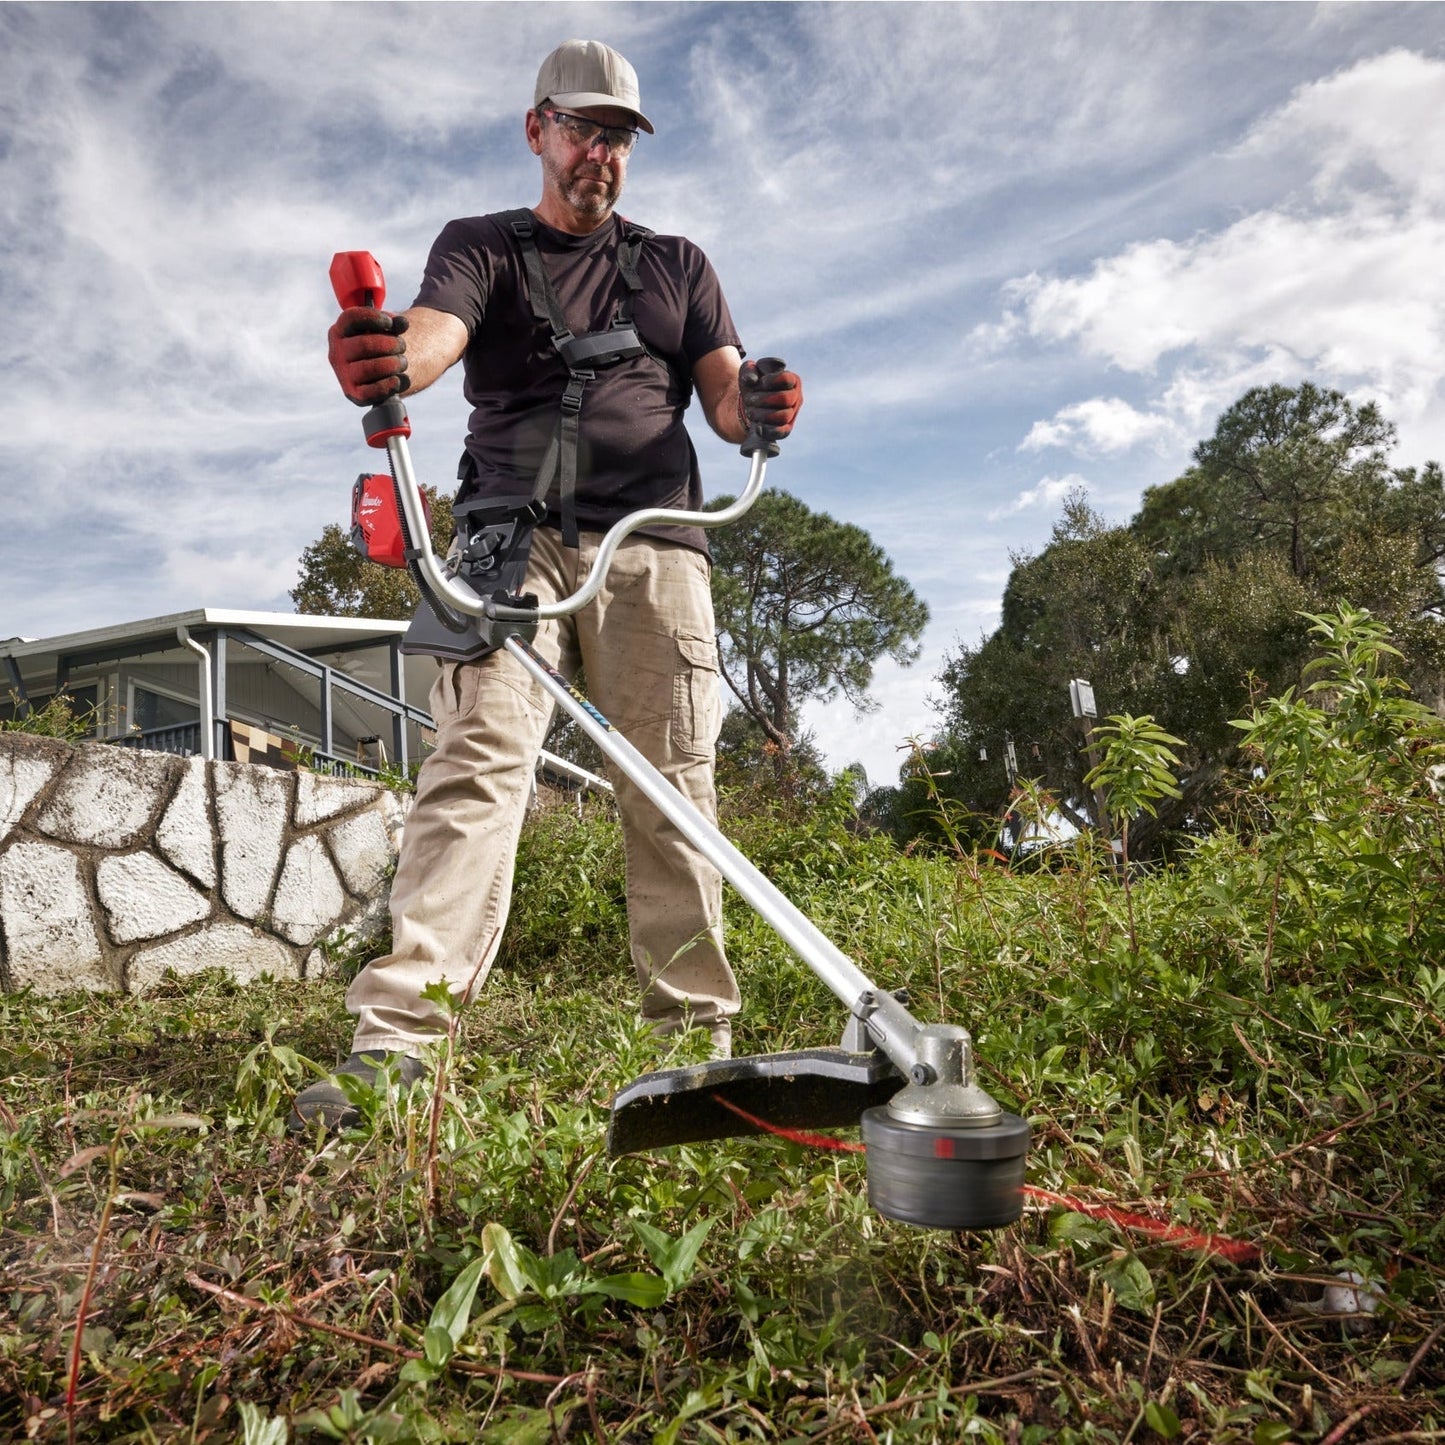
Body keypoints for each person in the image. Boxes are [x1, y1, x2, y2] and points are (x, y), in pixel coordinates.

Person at [292, 39, 803, 1130]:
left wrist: (758, 404)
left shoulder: (678, 265)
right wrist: (386, 354)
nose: (599, 154)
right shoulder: (479, 245)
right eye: (580, 129)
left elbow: (721, 394)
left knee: (670, 778)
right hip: (505, 542)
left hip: (654, 543)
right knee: (475, 770)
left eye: (616, 136)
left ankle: (694, 1041)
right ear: (537, 130)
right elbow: (433, 337)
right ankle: (398, 1045)